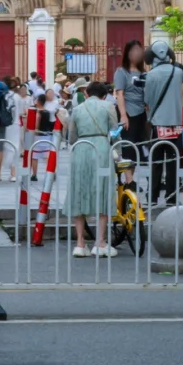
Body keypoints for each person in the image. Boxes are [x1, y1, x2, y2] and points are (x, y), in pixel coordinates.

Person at [64, 80, 117, 257]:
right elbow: (114, 131)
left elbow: (71, 137)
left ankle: (80, 243)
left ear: (86, 93)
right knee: (103, 191)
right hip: (101, 148)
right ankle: (100, 242)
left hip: (81, 148)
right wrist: (118, 151)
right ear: (104, 95)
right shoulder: (108, 106)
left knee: (79, 191)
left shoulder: (78, 109)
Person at [144, 40, 183, 206]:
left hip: (158, 123)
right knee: (173, 163)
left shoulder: (151, 75)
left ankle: (152, 197)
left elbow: (147, 99)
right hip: (176, 123)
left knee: (156, 163)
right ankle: (172, 197)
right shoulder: (178, 72)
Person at [113, 40, 148, 165]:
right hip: (128, 112)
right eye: (133, 50)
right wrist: (123, 115)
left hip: (141, 113)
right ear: (127, 53)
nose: (136, 53)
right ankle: (128, 176)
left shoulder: (144, 73)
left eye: (139, 50)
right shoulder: (121, 72)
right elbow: (120, 94)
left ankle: (131, 175)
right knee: (128, 146)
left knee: (139, 145)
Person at [5, 80, 26, 182]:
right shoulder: (18, 97)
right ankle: (13, 173)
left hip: (5, 124)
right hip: (16, 124)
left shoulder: (4, 96)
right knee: (15, 147)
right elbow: (21, 112)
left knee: (4, 146)